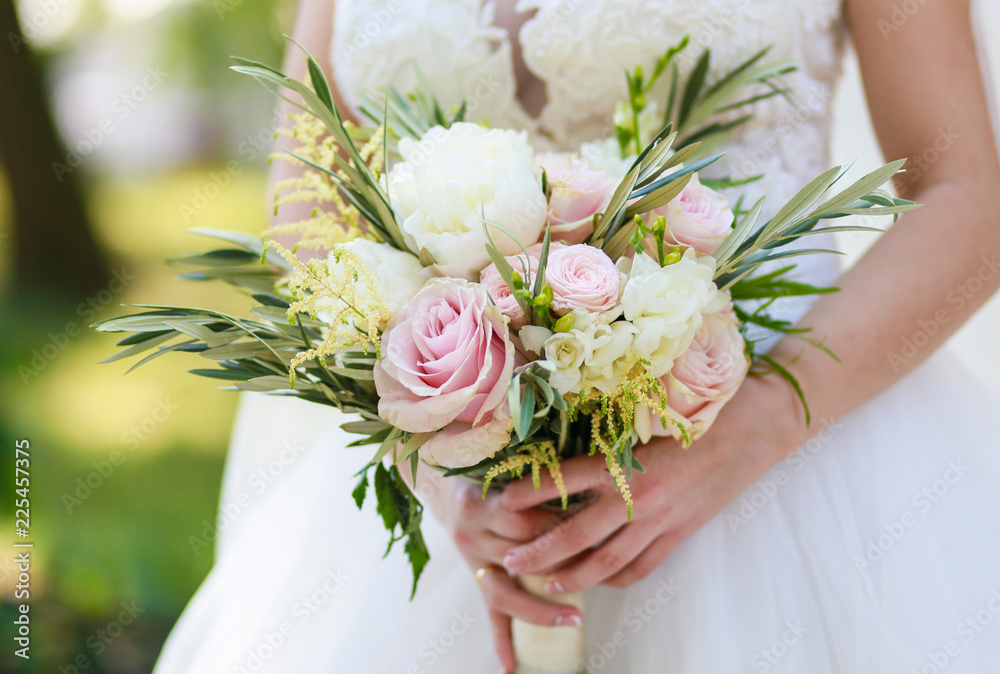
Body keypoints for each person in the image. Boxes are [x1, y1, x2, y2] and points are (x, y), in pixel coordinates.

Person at [155, 1, 1000, 672]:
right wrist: (436, 451)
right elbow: (309, 200)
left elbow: (965, 195)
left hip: (792, 462)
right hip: (462, 509)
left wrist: (744, 434)